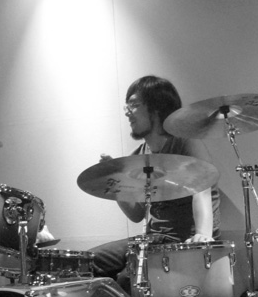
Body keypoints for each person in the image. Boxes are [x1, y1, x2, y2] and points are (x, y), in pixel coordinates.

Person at [88, 75, 220, 281]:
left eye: (134, 105)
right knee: (86, 262)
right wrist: (116, 183)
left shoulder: (185, 143)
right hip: (154, 239)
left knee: (127, 280)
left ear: (157, 108)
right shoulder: (138, 156)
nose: (127, 112)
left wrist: (203, 234)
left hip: (183, 240)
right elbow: (136, 214)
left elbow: (201, 190)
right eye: (126, 106)